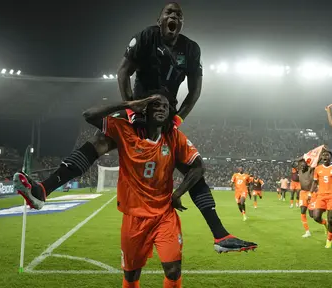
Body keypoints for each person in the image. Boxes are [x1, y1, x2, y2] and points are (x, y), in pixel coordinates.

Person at [13, 2, 257, 253]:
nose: (174, 16)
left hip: (165, 111)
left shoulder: (191, 49)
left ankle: (220, 235)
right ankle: (43, 190)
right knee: (101, 140)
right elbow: (122, 72)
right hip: (140, 105)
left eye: (178, 15)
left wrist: (177, 119)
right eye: (169, 13)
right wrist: (131, 109)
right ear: (160, 19)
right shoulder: (145, 37)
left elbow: (194, 91)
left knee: (193, 167)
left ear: (181, 23)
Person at [83, 92, 208, 288]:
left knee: (174, 271)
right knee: (131, 276)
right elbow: (89, 115)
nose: (161, 109)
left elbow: (198, 166)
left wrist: (177, 193)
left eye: (165, 107)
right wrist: (128, 104)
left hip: (164, 216)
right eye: (155, 105)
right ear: (145, 109)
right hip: (134, 217)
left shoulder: (174, 137)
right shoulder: (126, 131)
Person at [310, 149, 332, 248]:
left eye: (327, 155)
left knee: (331, 219)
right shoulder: (318, 169)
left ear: (330, 157)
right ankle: (324, 223)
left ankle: (329, 239)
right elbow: (315, 182)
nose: (324, 157)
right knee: (316, 217)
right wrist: (310, 193)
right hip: (321, 196)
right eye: (323, 155)